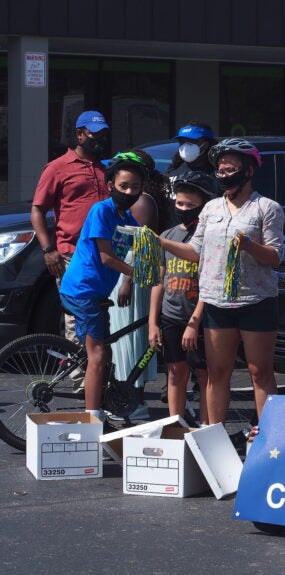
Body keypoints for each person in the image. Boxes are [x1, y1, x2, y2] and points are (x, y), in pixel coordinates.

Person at [157, 138, 284, 424]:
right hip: (216, 300)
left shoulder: (267, 208)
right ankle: (213, 434)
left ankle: (267, 437)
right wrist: (161, 242)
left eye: (232, 169)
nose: (225, 174)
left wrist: (250, 246)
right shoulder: (211, 208)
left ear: (249, 171)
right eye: (222, 170)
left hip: (256, 300)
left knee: (259, 371)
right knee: (217, 372)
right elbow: (195, 251)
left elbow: (275, 256)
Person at [57, 152, 147, 426]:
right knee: (97, 353)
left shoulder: (129, 218)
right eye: (124, 186)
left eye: (135, 187)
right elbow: (106, 257)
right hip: (82, 289)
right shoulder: (102, 211)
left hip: (97, 292)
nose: (130, 192)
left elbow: (145, 249)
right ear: (111, 185)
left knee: (104, 352)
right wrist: (140, 275)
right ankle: (92, 420)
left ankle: (101, 406)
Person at [30, 110, 111, 380]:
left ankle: (99, 376)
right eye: (93, 133)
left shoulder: (106, 168)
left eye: (102, 134)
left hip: (105, 255)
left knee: (101, 318)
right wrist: (48, 249)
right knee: (76, 318)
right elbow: (38, 210)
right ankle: (81, 379)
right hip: (71, 254)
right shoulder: (57, 167)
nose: (98, 139)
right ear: (79, 134)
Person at [149, 171, 215, 423]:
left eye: (191, 206)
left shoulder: (208, 238)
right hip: (172, 316)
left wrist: (194, 322)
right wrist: (153, 322)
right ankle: (175, 424)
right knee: (175, 372)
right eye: (179, 203)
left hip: (199, 317)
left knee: (203, 372)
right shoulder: (167, 236)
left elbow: (209, 282)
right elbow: (159, 282)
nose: (184, 209)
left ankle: (205, 424)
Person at [106, 153, 161, 421]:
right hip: (122, 271)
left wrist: (127, 281)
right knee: (121, 338)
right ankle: (126, 396)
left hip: (130, 276)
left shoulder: (143, 202)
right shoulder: (126, 203)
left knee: (130, 339)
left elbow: (141, 246)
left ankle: (134, 400)